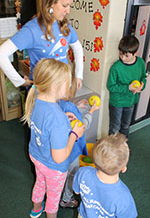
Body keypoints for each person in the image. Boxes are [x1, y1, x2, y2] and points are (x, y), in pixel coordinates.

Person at [22, 58, 85, 218]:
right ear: (55, 86)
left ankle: (36, 209)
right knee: (53, 198)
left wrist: (63, 118)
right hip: (53, 166)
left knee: (40, 183)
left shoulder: (37, 98)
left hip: (37, 157)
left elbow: (46, 122)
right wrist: (74, 134)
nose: (69, 86)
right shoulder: (57, 119)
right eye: (66, 82)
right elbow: (59, 157)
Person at [0, 0, 83, 89]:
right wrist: (19, 81)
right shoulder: (31, 30)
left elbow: (77, 47)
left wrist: (78, 75)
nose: (68, 11)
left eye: (69, 5)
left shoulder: (64, 26)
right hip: (42, 93)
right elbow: (1, 54)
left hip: (63, 89)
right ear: (51, 3)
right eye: (64, 5)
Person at [58, 74, 100, 208]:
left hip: (59, 148)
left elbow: (69, 117)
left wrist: (77, 106)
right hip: (72, 151)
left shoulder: (57, 103)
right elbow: (82, 126)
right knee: (72, 175)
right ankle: (66, 199)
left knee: (61, 174)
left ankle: (56, 193)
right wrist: (91, 111)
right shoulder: (69, 107)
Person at [73, 133, 138, 218]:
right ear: (123, 168)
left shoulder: (83, 172)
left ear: (95, 162)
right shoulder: (124, 198)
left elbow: (76, 191)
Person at [107, 35, 147, 137]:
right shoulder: (116, 67)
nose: (123, 58)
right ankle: (111, 151)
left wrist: (142, 86)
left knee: (125, 126)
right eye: (121, 54)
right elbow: (110, 86)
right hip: (117, 102)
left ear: (135, 53)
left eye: (126, 56)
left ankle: (123, 147)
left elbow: (143, 77)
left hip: (130, 101)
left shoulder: (141, 63)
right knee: (115, 128)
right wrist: (127, 88)